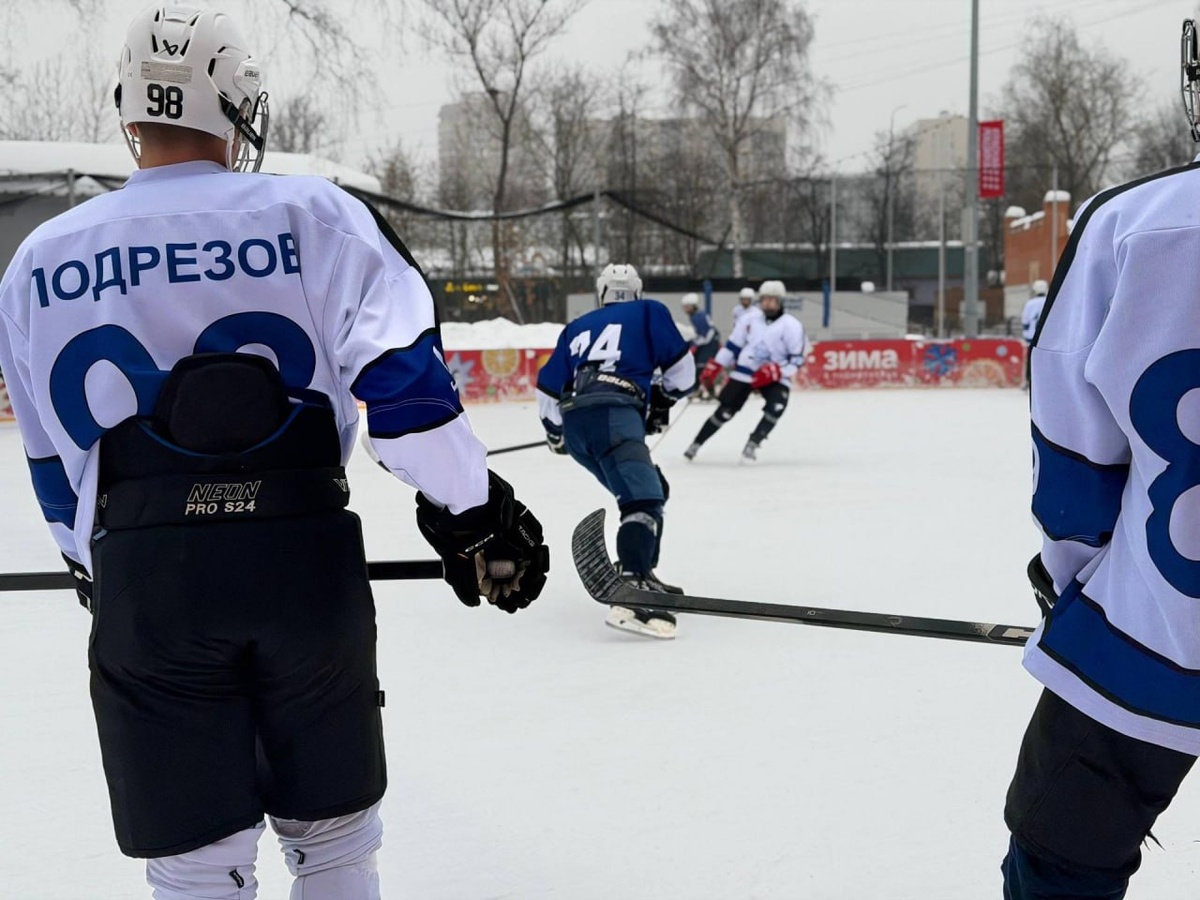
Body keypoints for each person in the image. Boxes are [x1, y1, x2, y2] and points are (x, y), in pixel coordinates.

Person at [0, 6, 549, 899]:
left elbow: (53, 473)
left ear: (129, 110)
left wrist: (97, 575)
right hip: (302, 567)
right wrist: (474, 515)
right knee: (334, 846)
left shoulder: (39, 259)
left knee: (193, 867)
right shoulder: (317, 214)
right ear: (235, 103)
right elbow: (409, 399)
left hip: (148, 581)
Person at [1000, 19, 1200, 898]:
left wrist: (1075, 582)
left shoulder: (1138, 225)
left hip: (1150, 635)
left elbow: (1075, 458)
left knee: (1058, 858)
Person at [536, 263, 696, 639]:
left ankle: (641, 569)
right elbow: (683, 374)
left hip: (578, 425)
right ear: (636, 291)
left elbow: (546, 392)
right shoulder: (649, 311)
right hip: (616, 417)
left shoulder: (576, 326)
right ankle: (631, 593)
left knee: (653, 490)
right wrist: (661, 400)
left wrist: (556, 434)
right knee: (641, 501)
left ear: (601, 293)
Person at [684, 280, 808, 462]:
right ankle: (696, 444)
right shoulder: (749, 319)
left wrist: (776, 371)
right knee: (725, 411)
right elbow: (732, 347)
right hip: (744, 371)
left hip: (773, 376)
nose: (768, 303)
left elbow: (796, 359)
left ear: (780, 301)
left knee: (777, 406)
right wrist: (715, 365)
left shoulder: (792, 326)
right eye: (765, 299)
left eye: (773, 300)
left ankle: (753, 443)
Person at [681, 292, 720, 399]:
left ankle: (700, 390)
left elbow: (706, 335)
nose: (685, 309)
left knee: (701, 368)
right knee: (698, 366)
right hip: (706, 344)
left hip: (709, 345)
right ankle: (700, 390)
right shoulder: (696, 315)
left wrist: (694, 342)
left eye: (687, 307)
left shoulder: (698, 316)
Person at [1020, 279, 1048, 389]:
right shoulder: (1049, 301)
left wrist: (1026, 334)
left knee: (1031, 361)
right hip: (1046, 338)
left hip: (1031, 338)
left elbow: (1025, 321)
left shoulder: (1029, 303)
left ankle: (1028, 381)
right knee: (1045, 361)